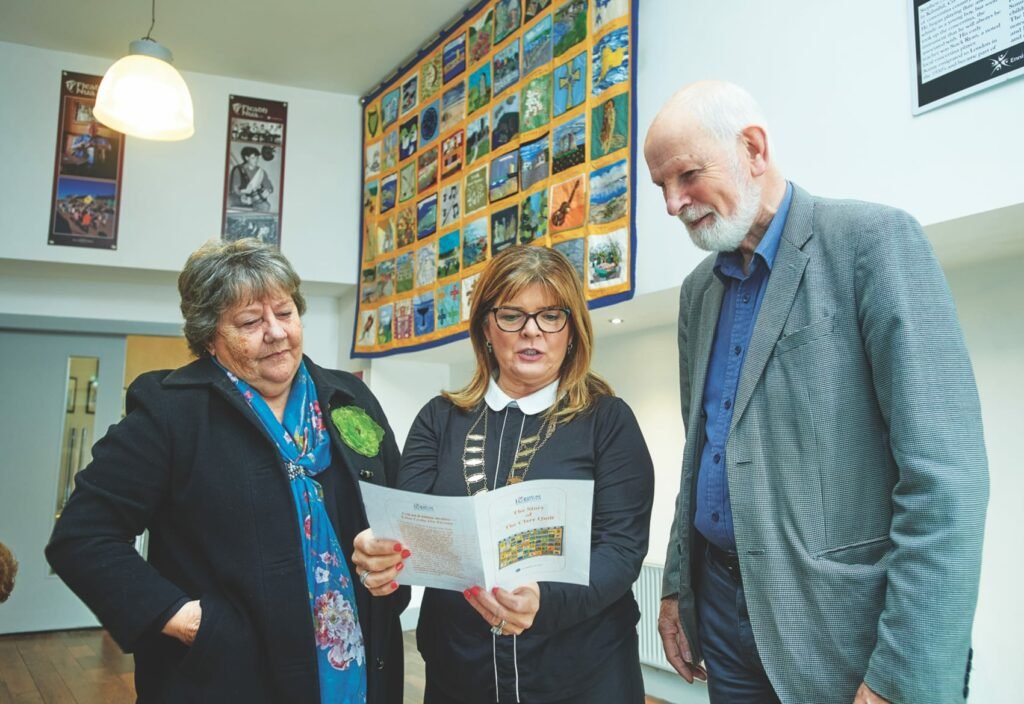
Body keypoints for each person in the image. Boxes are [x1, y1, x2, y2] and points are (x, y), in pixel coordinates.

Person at [643, 80, 989, 704]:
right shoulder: (699, 293)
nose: (673, 203)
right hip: (722, 613)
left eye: (687, 175)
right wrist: (676, 584)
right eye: (660, 186)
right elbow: (704, 455)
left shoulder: (873, 244)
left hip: (842, 630)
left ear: (753, 148)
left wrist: (902, 673)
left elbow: (945, 481)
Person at [46, 238, 408, 703]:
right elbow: (82, 536)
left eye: (285, 312)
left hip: (361, 662)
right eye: (250, 322)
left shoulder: (349, 398)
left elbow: (398, 512)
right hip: (230, 675)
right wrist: (187, 621)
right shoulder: (171, 412)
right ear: (209, 337)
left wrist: (389, 563)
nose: (276, 332)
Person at [353, 245, 655, 703]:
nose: (532, 331)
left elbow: (621, 549)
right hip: (461, 668)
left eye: (551, 316)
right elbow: (407, 529)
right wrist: (379, 554)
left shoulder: (607, 421)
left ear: (571, 330)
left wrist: (543, 601)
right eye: (512, 315)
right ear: (486, 329)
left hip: (579, 671)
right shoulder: (440, 418)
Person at [229, 146, 275, 211]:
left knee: (266, 206)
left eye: (257, 158)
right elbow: (235, 188)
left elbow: (269, 186)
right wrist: (242, 196)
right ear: (246, 158)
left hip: (254, 198)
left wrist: (268, 191)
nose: (256, 160)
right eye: (253, 158)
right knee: (228, 201)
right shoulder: (238, 170)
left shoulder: (261, 172)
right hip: (239, 197)